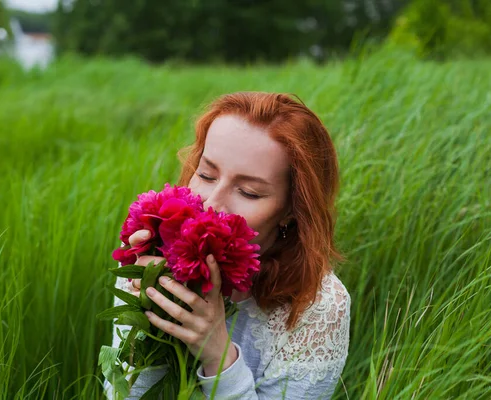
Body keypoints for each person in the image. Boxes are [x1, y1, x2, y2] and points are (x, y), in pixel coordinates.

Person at [104, 92, 351, 399]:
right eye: (206, 174)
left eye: (249, 192)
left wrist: (218, 356)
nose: (212, 203)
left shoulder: (319, 306)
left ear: (291, 212)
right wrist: (152, 312)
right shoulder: (151, 252)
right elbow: (122, 394)